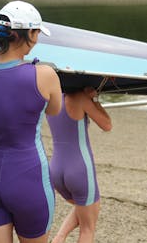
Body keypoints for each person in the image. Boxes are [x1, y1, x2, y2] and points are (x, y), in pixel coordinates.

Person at [0, 1, 62, 243]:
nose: (38, 39)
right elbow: (54, 109)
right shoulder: (44, 74)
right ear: (29, 34)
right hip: (28, 178)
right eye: (38, 33)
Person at [46, 87, 112, 243]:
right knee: (87, 229)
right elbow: (107, 125)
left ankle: (59, 237)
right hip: (80, 169)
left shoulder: (51, 97)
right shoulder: (80, 98)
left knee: (82, 207)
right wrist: (94, 100)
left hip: (56, 168)